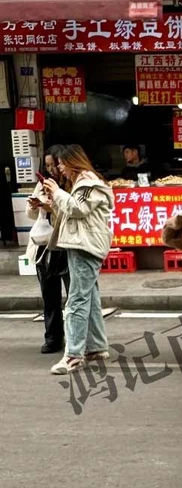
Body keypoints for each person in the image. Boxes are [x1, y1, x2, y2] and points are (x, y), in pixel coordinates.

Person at [37, 144, 113, 375]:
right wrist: (51, 202)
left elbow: (77, 209)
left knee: (76, 301)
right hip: (82, 245)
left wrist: (57, 193)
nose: (59, 169)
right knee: (88, 298)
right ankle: (96, 347)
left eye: (61, 164)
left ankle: (73, 355)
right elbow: (74, 212)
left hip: (85, 247)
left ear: (72, 162)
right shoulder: (83, 183)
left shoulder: (88, 183)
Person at [26, 145, 69, 354]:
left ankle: (78, 339)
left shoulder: (70, 185)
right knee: (49, 296)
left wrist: (52, 205)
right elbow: (30, 215)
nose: (52, 169)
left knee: (74, 297)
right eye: (49, 165)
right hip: (44, 247)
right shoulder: (42, 184)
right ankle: (53, 338)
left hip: (66, 246)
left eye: (55, 165)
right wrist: (35, 205)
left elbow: (71, 214)